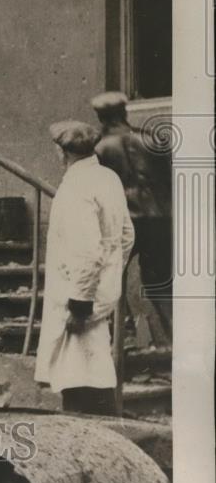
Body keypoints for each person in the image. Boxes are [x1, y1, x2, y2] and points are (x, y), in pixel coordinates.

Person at [35, 120, 134, 415]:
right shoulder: (107, 178)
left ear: (61, 151)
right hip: (99, 293)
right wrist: (111, 274)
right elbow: (127, 236)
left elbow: (87, 253)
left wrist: (79, 304)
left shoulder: (76, 188)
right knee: (95, 367)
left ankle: (88, 444)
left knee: (76, 375)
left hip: (79, 300)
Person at [90, 91, 173, 316]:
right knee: (160, 282)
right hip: (161, 218)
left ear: (101, 117)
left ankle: (121, 332)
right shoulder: (153, 138)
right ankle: (174, 337)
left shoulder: (99, 149)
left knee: (108, 276)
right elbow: (169, 179)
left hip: (125, 221)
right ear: (124, 112)